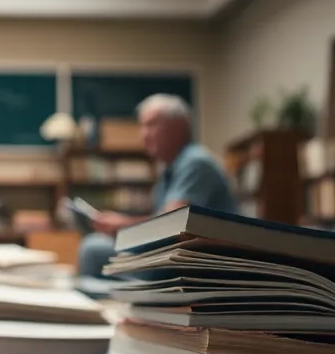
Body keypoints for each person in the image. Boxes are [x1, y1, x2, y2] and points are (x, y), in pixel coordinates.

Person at [77, 94, 236, 278]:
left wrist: (121, 225)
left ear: (177, 127)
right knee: (98, 246)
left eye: (151, 125)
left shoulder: (195, 162)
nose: (143, 134)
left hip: (201, 265)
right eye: (142, 126)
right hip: (176, 256)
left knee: (93, 249)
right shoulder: (169, 170)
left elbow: (170, 226)